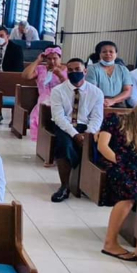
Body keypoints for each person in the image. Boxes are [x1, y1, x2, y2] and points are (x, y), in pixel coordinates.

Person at [97, 100, 137, 270]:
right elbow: (103, 146)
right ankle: (110, 242)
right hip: (114, 162)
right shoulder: (116, 119)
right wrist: (119, 161)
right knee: (130, 194)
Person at [49, 59, 105, 202]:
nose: (74, 73)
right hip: (66, 125)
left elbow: (97, 118)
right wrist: (75, 135)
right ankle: (65, 186)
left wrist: (88, 134)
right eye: (71, 70)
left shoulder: (96, 92)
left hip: (86, 127)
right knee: (64, 144)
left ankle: (90, 185)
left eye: (77, 69)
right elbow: (58, 117)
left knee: (95, 147)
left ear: (85, 71)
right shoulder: (58, 91)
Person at [23, 46, 68, 141]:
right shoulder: (41, 69)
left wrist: (59, 75)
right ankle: (42, 138)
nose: (52, 61)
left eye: (55, 58)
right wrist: (38, 61)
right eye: (49, 58)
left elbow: (69, 87)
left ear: (60, 58)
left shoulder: (66, 70)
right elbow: (26, 76)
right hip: (44, 99)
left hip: (61, 99)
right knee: (41, 108)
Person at [86, 41, 133, 108]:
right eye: (104, 52)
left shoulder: (123, 69)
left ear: (116, 54)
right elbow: (92, 90)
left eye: (111, 51)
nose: (108, 54)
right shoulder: (92, 68)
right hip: (98, 102)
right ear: (99, 54)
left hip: (119, 103)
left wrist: (113, 101)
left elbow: (128, 90)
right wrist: (104, 102)